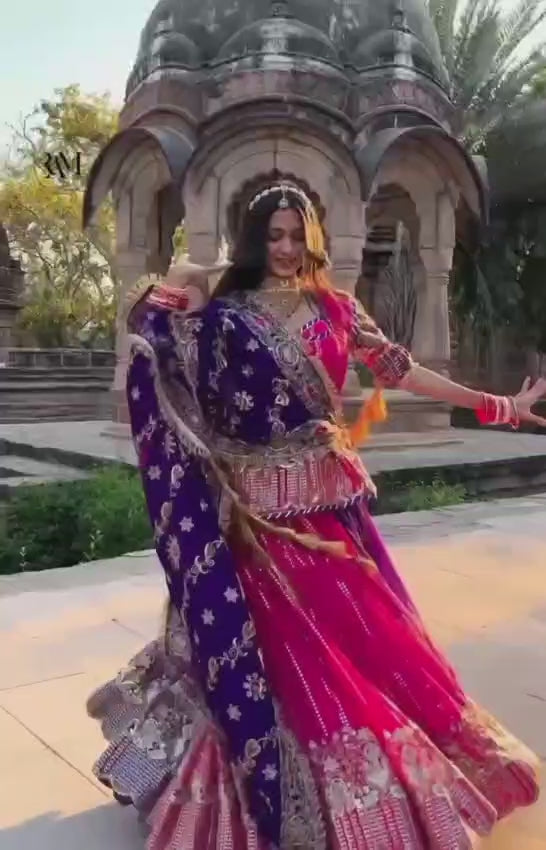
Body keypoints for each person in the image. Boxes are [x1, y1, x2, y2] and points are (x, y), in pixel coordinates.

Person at [87, 182, 543, 850]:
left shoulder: (337, 307)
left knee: (369, 649)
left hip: (332, 516)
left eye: (297, 236)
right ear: (253, 239)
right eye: (272, 236)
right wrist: (208, 271)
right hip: (255, 525)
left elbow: (402, 371)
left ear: (315, 238)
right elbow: (158, 327)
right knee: (274, 664)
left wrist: (495, 404)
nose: (285, 248)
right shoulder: (225, 313)